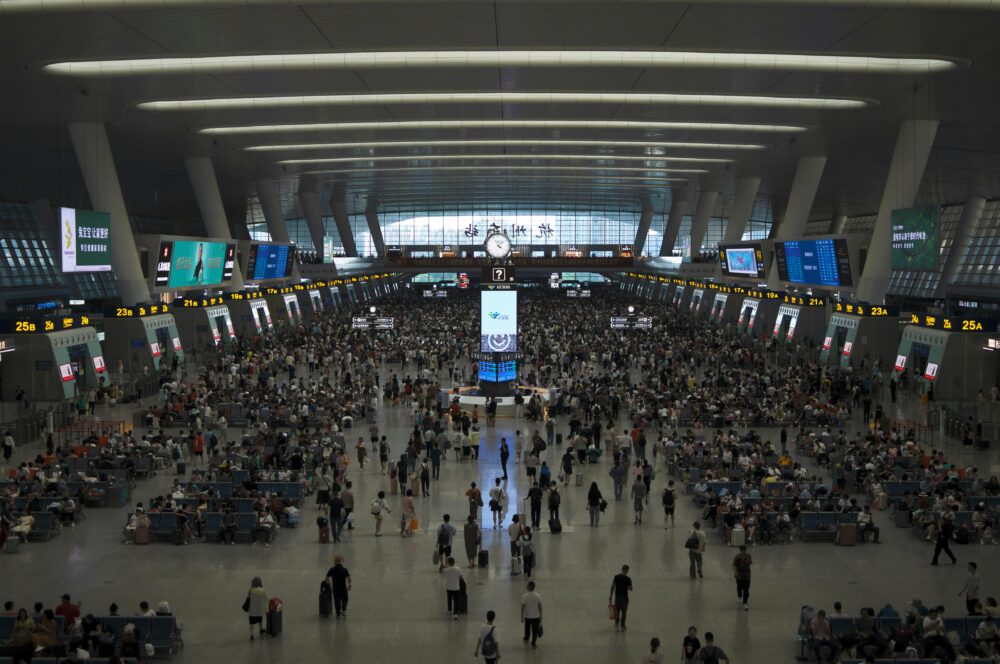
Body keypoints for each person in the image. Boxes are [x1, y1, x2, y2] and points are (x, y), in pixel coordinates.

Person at [609, 565, 633, 631]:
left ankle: (617, 622)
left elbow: (613, 586)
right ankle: (622, 626)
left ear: (622, 569)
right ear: (627, 570)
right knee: (624, 612)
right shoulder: (628, 579)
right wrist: (625, 586)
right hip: (624, 598)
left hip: (617, 597)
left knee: (617, 611)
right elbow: (631, 588)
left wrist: (610, 596)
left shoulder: (616, 577)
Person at [521, 580, 542, 648]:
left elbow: (523, 607)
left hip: (527, 616)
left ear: (529, 587)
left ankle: (526, 637)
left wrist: (522, 616)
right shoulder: (538, 596)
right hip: (536, 616)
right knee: (534, 631)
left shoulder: (525, 596)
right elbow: (540, 606)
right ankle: (533, 643)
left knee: (527, 628)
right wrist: (541, 615)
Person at [246, 576, 268, 641]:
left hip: (252, 609)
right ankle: (261, 629)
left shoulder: (251, 590)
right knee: (260, 619)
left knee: (251, 622)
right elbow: (266, 599)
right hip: (260, 609)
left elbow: (248, 598)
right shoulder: (262, 590)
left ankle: (251, 635)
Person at [732, 545, 752, 610]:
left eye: (744, 551)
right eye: (742, 551)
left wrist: (749, 574)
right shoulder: (737, 557)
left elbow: (749, 564)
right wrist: (735, 572)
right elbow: (734, 565)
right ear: (740, 550)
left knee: (746, 590)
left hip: (747, 576)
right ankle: (739, 595)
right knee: (739, 587)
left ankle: (745, 603)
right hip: (739, 575)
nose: (743, 552)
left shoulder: (748, 556)